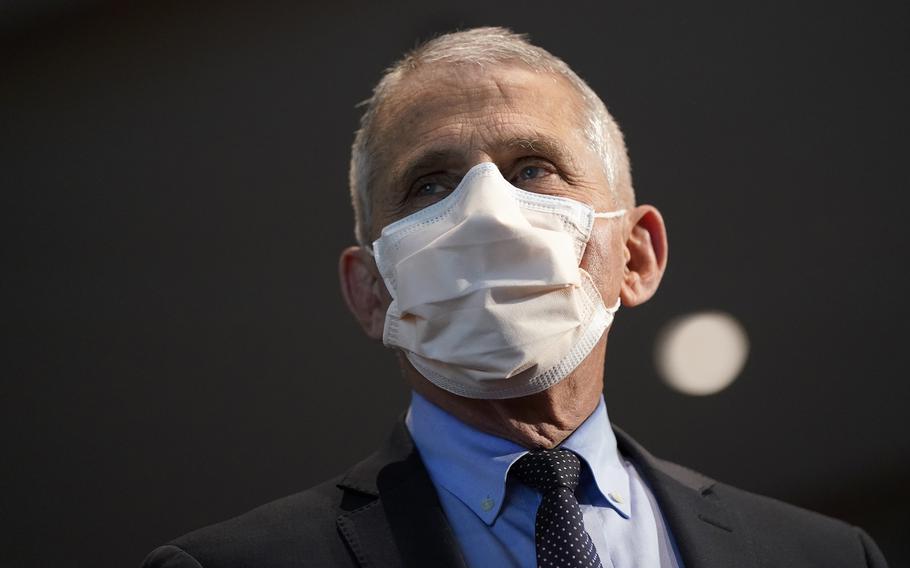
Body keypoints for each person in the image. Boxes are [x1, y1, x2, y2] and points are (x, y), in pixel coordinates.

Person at [142, 27, 888, 568]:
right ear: (370, 291)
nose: (485, 212)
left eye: (532, 169)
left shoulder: (821, 556)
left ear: (636, 254)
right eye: (430, 185)